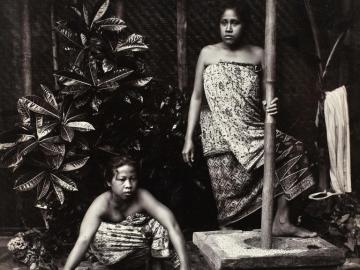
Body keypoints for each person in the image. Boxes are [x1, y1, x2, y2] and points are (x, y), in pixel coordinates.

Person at [182, 0, 317, 237]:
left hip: (251, 126)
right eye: (224, 23)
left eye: (235, 23)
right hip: (218, 131)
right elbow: (196, 97)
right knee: (228, 196)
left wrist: (270, 105)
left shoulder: (259, 54)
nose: (229, 28)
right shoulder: (207, 53)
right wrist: (188, 138)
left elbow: (267, 96)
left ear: (244, 25)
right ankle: (226, 238)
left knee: (293, 150)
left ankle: (282, 221)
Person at [63, 156, 190, 270]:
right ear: (109, 182)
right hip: (108, 255)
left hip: (138, 255)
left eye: (133, 179)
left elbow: (172, 226)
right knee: (99, 233)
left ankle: (156, 264)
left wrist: (185, 266)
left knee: (160, 223)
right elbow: (84, 239)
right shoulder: (102, 204)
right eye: (122, 180)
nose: (128, 185)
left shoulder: (142, 197)